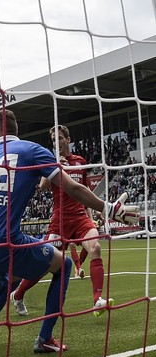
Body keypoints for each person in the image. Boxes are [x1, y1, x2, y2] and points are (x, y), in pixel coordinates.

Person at [0, 110, 139, 353]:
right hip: (7, 241)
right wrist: (110, 209)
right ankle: (45, 339)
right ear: (16, 129)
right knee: (64, 265)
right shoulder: (32, 150)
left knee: (9, 278)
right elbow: (74, 189)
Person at [10, 125, 113, 318]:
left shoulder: (80, 162)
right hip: (59, 220)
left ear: (68, 139)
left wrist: (91, 217)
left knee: (96, 248)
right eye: (54, 140)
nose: (57, 142)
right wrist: (57, 164)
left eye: (60, 138)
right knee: (43, 264)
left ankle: (97, 300)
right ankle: (18, 294)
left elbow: (84, 192)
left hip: (80, 218)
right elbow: (42, 186)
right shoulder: (51, 160)